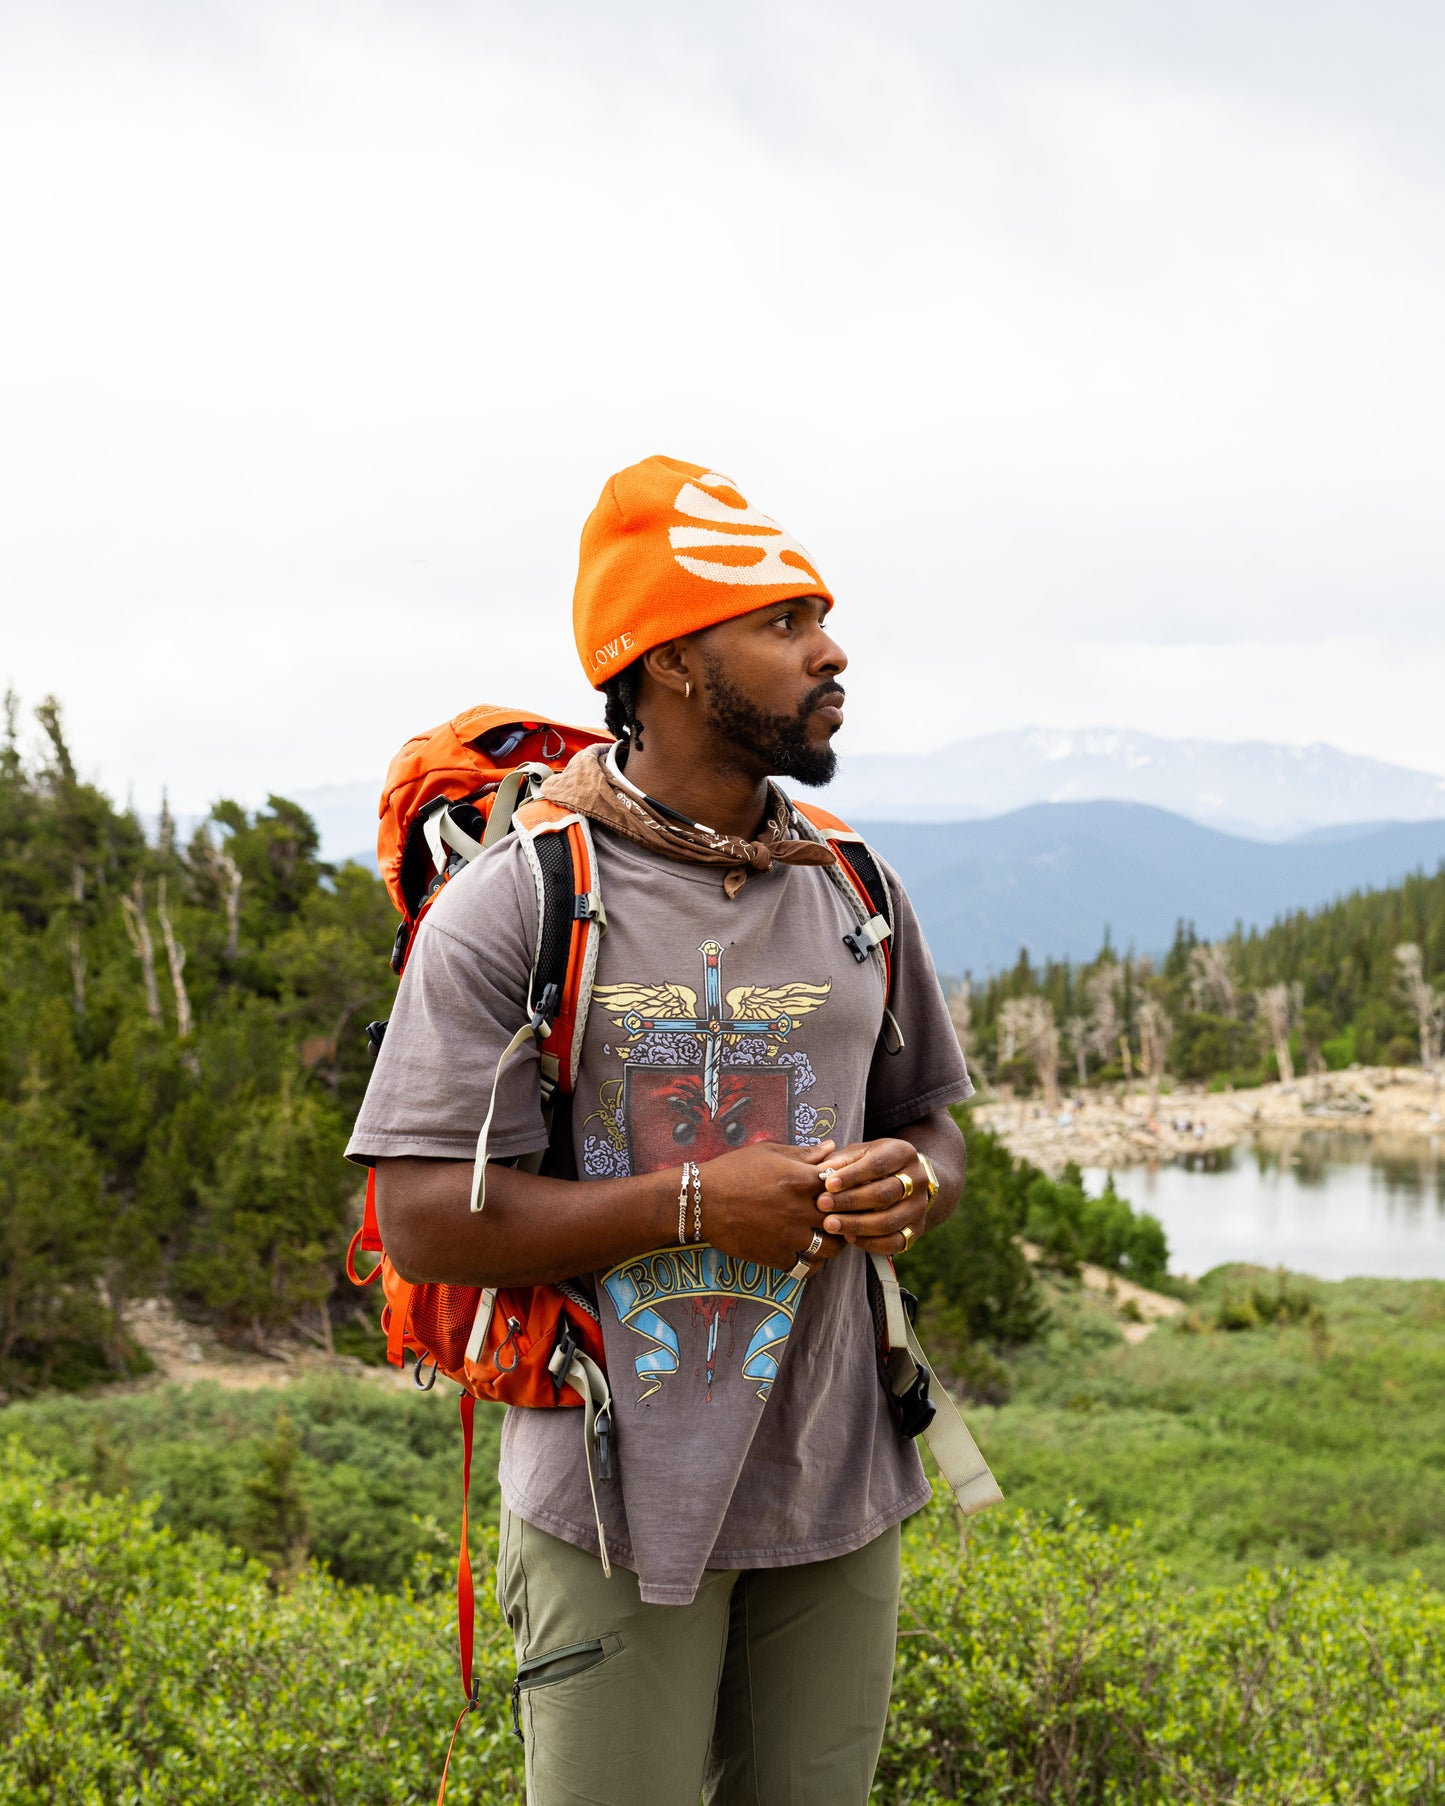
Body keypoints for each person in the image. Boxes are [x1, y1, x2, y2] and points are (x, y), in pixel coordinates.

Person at [347, 455, 975, 1805]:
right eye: (784, 622)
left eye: (819, 616)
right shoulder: (523, 902)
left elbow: (934, 1122)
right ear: (675, 660)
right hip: (608, 1499)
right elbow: (418, 1217)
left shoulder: (856, 884)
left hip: (836, 1486)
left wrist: (909, 1181)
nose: (831, 650)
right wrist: (692, 1205)